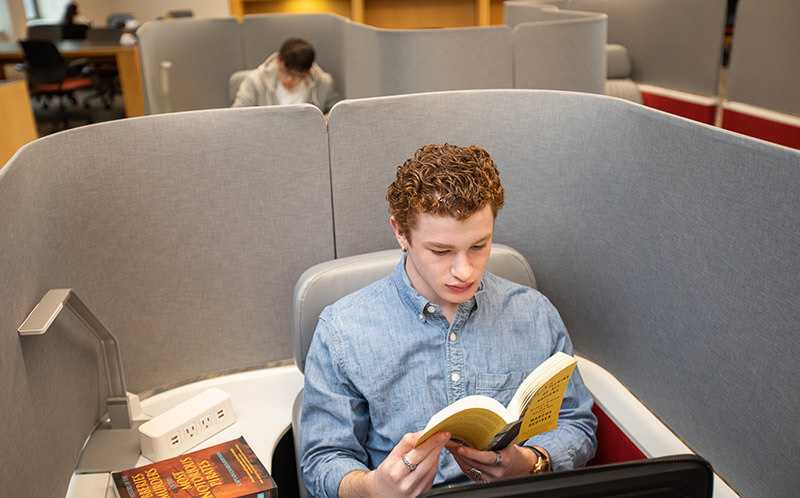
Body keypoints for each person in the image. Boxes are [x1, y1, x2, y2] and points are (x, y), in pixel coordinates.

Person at [300, 144, 598, 498]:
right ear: (400, 233)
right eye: (441, 251)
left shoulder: (534, 314)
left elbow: (577, 423)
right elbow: (323, 459)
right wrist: (369, 489)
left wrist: (533, 461)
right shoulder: (343, 330)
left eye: (479, 245)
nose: (464, 271)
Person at [231, 37, 338, 112]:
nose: (288, 80)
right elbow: (236, 115)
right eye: (285, 72)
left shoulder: (324, 83)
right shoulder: (255, 82)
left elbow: (335, 115)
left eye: (297, 76)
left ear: (307, 72)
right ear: (278, 61)